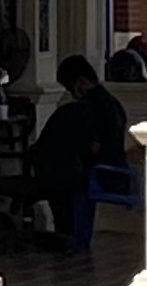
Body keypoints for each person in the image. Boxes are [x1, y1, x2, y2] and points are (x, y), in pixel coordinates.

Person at [31, 56, 137, 256]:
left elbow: (93, 146)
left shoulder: (91, 108)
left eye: (70, 87)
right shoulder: (110, 103)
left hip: (93, 171)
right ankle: (72, 239)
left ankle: (69, 238)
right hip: (106, 167)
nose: (71, 93)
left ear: (81, 81)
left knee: (64, 185)